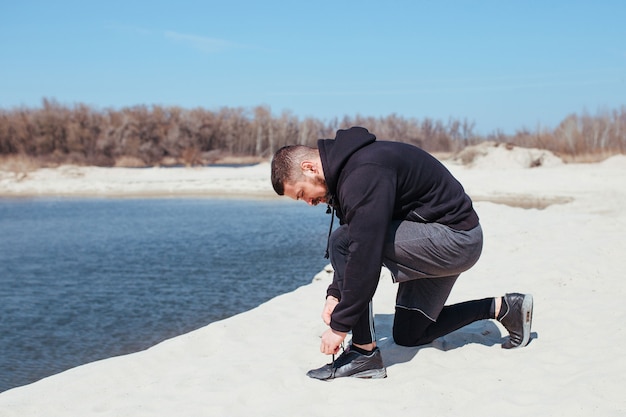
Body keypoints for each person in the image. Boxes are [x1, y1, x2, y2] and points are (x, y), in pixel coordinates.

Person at [270, 126, 533, 380]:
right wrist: (336, 294)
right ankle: (504, 308)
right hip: (434, 240)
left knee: (344, 242)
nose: (308, 202)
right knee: (410, 334)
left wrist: (340, 326)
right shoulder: (346, 177)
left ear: (309, 167)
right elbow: (356, 239)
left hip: (455, 240)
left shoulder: (363, 173)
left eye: (303, 193)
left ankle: (363, 354)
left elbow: (362, 253)